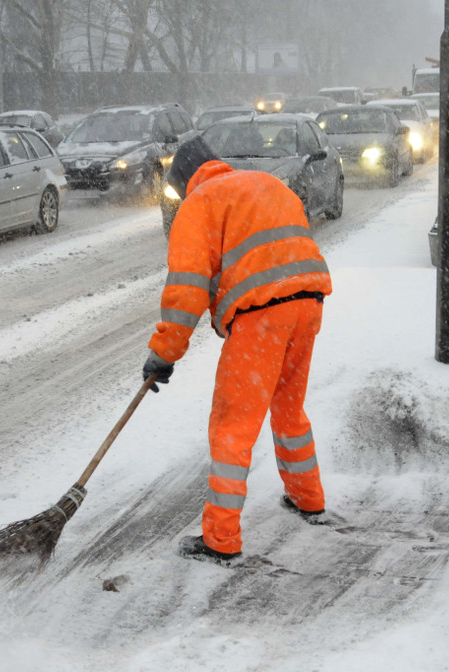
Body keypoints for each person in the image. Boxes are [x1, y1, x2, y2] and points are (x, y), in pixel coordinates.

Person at [142, 136, 333, 563]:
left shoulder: (200, 202)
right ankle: (308, 498)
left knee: (233, 425)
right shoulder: (266, 183)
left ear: (186, 179)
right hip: (309, 302)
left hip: (261, 316)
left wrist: (164, 353)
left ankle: (221, 540)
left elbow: (186, 291)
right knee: (289, 409)